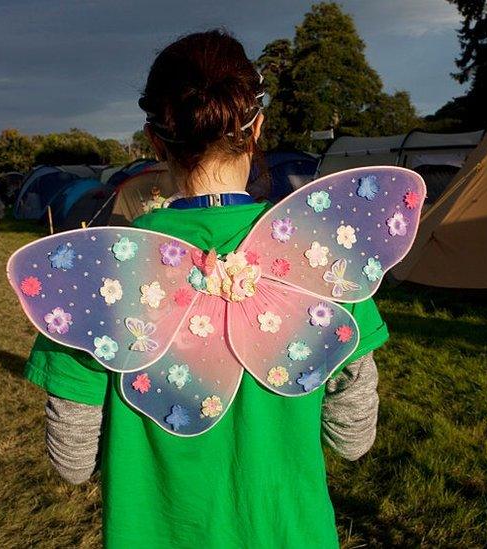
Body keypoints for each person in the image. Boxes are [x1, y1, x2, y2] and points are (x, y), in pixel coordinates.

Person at [22, 30, 388, 548]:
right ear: (257, 126)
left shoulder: (98, 273)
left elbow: (73, 462)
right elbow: (353, 440)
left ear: (154, 141)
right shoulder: (321, 253)